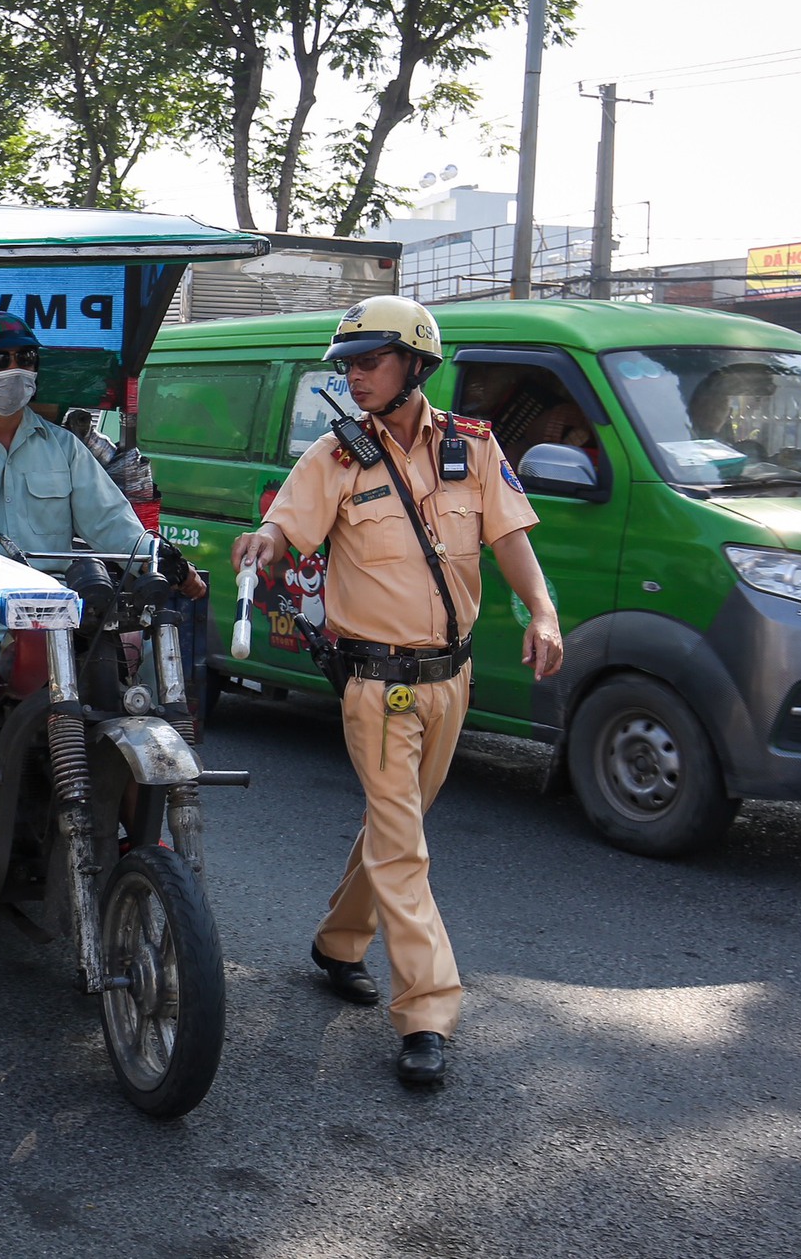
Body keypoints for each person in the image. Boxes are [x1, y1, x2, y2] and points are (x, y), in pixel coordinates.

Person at [229, 295, 564, 1088]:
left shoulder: (474, 448)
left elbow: (509, 535)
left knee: (395, 829)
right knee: (405, 845)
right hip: (378, 689)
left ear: (417, 364)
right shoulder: (335, 458)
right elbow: (284, 531)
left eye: (369, 361)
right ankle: (427, 1010)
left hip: (453, 678)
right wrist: (263, 545)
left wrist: (542, 609)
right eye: (346, 364)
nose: (353, 377)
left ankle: (339, 943)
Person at [0, 311, 206, 883]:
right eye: (0, 361)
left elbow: (117, 527)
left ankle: (145, 819)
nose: (16, 372)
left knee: (137, 681)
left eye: (26, 361)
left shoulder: (63, 449)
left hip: (57, 612)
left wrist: (170, 564)